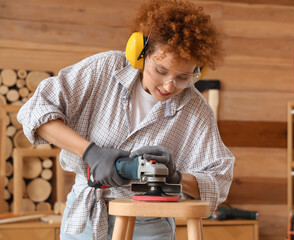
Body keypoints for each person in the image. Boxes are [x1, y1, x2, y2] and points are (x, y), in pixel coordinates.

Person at [17, 0, 235, 239]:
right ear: (140, 54)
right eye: (161, 71)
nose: (169, 85)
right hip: (86, 215)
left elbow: (219, 180)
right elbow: (35, 111)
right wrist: (90, 152)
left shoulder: (195, 109)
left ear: (198, 71)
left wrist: (175, 177)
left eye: (183, 77)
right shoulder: (105, 69)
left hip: (150, 224)